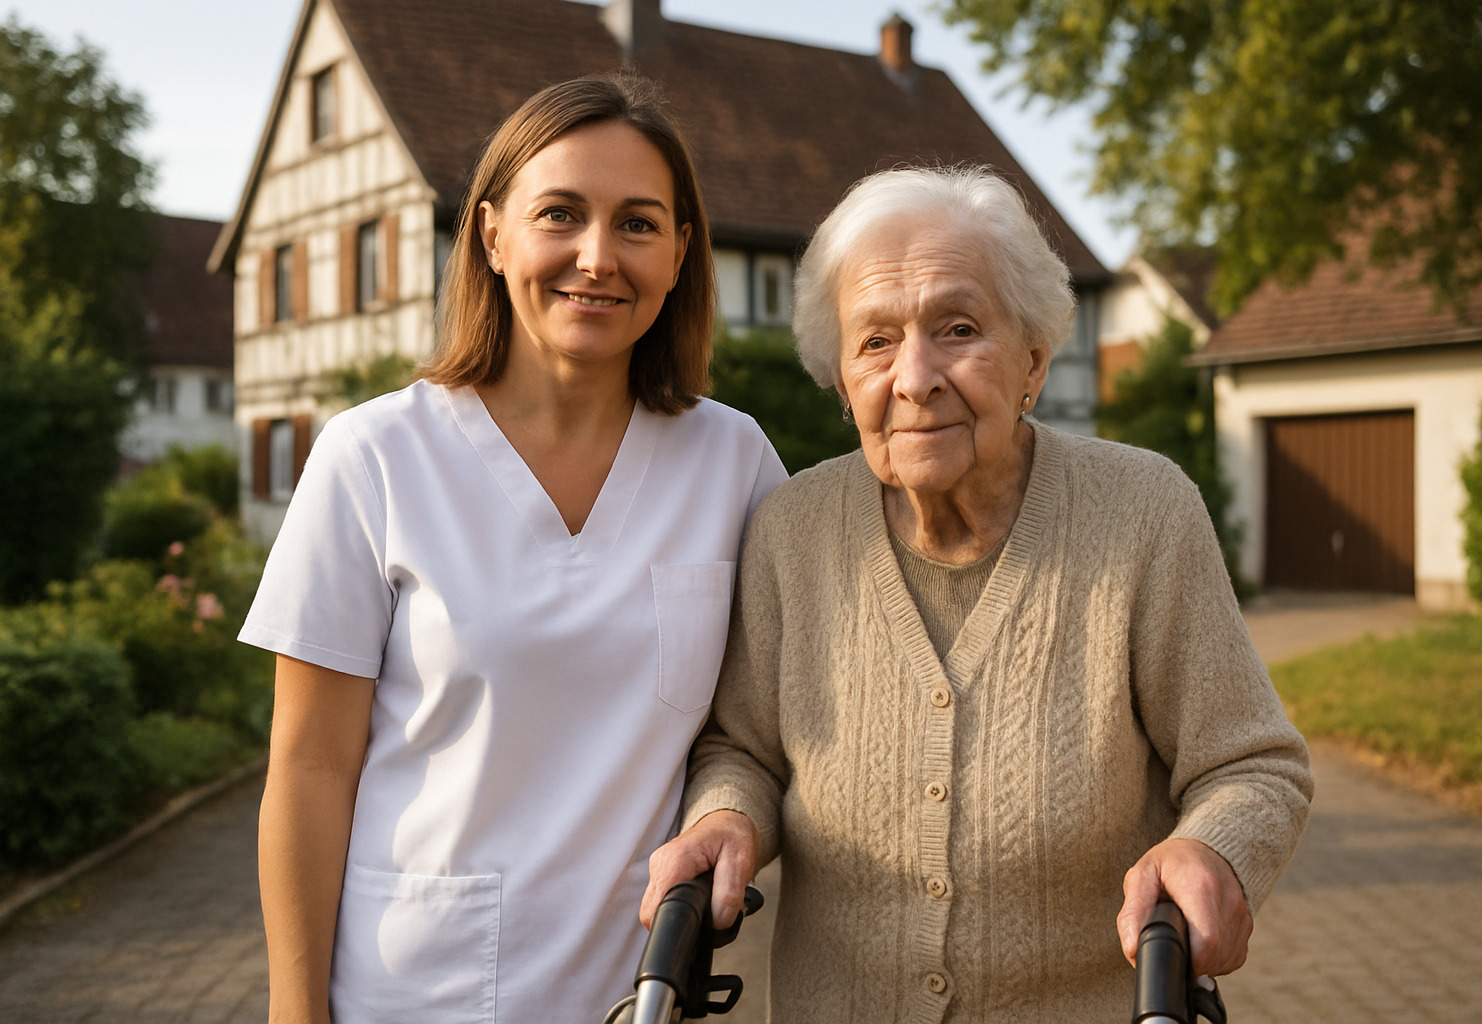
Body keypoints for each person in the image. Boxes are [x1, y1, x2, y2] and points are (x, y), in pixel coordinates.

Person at [642, 165, 1313, 1022]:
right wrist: (728, 818)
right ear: (842, 378)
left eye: (957, 328)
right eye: (875, 341)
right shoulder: (791, 531)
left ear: (1033, 357)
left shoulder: (1143, 514)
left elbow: (1252, 763)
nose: (915, 377)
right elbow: (743, 749)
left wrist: (1213, 850)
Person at [242, 73, 785, 1024]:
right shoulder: (375, 456)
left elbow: (766, 725)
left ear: (680, 252)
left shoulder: (732, 460)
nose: (597, 256)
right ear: (493, 235)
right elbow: (309, 769)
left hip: (648, 988)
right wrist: (296, 1013)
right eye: (560, 214)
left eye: (638, 224)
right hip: (416, 990)